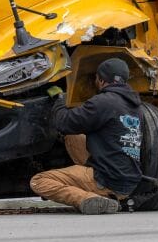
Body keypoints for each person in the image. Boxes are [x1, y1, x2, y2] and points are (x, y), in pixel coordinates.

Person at [29, 58, 144, 215]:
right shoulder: (135, 107)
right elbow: (73, 129)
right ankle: (97, 192)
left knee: (39, 181)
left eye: (96, 78)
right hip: (127, 178)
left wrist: (59, 100)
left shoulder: (103, 102)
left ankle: (87, 198)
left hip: (106, 180)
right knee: (73, 136)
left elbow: (63, 122)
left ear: (101, 80)